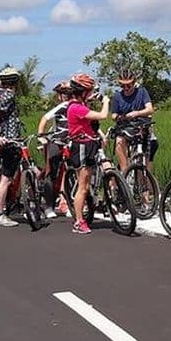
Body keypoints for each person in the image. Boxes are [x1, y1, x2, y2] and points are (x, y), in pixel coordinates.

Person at [67, 73, 110, 234]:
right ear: (83, 92)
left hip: (90, 144)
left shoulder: (82, 103)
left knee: (87, 184)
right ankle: (78, 221)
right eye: (89, 91)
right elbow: (102, 115)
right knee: (83, 187)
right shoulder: (76, 107)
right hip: (82, 147)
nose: (91, 93)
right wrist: (106, 102)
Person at [0, 66, 24, 227]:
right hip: (9, 140)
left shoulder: (0, 92)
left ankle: (2, 209)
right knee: (6, 179)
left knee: (7, 177)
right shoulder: (8, 94)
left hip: (9, 138)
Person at [37, 81, 73, 218]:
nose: (66, 96)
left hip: (71, 142)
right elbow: (45, 118)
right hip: (57, 141)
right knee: (51, 172)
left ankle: (68, 203)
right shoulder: (61, 107)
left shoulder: (77, 106)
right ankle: (48, 206)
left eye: (68, 93)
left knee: (72, 174)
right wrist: (41, 135)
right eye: (63, 93)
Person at [110, 70, 156, 172]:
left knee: (147, 155)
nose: (126, 88)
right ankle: (124, 171)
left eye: (128, 85)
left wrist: (136, 113)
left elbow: (150, 109)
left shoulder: (142, 92)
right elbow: (113, 115)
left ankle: (146, 183)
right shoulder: (117, 96)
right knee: (119, 141)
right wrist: (121, 117)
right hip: (125, 126)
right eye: (122, 85)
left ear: (134, 83)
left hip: (141, 126)